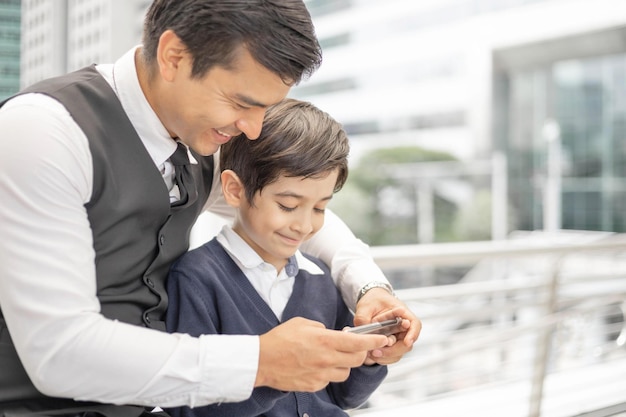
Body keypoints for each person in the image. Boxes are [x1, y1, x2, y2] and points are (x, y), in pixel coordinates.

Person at [0, 0, 420, 415]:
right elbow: (58, 353)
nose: (252, 129)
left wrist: (368, 288)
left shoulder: (202, 143)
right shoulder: (43, 132)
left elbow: (293, 210)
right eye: (241, 103)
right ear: (174, 57)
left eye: (266, 109)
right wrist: (261, 362)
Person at [166, 99, 400, 417]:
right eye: (288, 205)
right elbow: (188, 409)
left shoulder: (319, 277)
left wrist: (370, 356)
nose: (305, 226)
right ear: (234, 190)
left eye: (319, 208)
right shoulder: (196, 279)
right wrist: (270, 373)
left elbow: (344, 396)